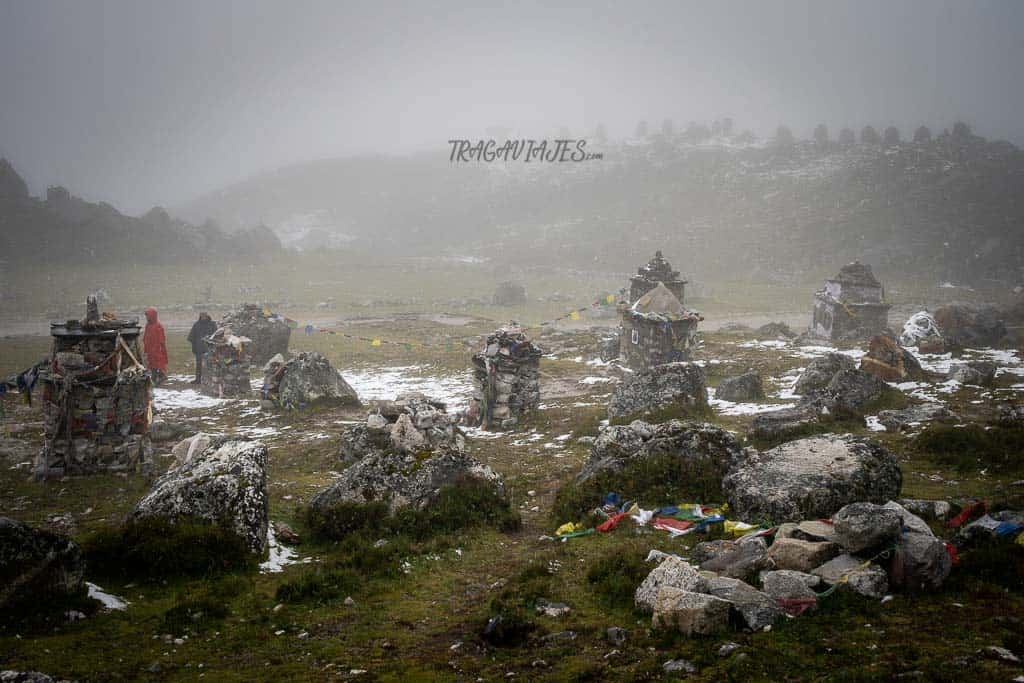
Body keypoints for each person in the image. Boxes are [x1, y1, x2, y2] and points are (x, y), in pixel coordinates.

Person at [187, 312, 217, 384]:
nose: (203, 317)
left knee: (210, 364)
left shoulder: (212, 324)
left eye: (204, 316)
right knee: (199, 364)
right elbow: (191, 337)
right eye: (202, 316)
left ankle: (210, 380)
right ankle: (198, 379)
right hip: (199, 349)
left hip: (210, 348)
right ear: (200, 317)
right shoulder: (196, 325)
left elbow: (216, 336)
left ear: (207, 316)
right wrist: (194, 347)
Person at [143, 308, 169, 385]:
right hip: (149, 349)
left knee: (157, 364)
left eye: (148, 316)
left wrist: (161, 348)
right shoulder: (147, 325)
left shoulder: (158, 326)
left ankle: (156, 379)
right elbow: (146, 336)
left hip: (157, 349)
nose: (147, 317)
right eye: (146, 316)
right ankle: (159, 377)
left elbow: (162, 339)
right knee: (151, 365)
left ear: (152, 316)